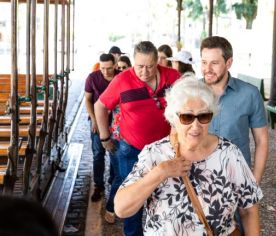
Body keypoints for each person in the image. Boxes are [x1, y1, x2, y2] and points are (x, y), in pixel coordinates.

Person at [114, 76, 263, 235]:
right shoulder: (155, 154)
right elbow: (122, 209)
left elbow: (248, 210)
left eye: (204, 116)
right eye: (187, 117)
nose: (196, 126)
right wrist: (160, 172)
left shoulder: (229, 153)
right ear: (173, 117)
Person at [94, 41, 180, 235]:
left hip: (166, 149)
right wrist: (104, 136)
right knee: (134, 199)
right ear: (134, 61)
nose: (145, 71)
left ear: (157, 61)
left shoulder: (173, 77)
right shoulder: (123, 80)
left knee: (165, 196)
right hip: (132, 150)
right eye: (140, 66)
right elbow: (100, 106)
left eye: (150, 66)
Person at [200, 36, 268, 184]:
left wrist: (254, 183)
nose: (207, 69)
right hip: (198, 177)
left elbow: (262, 140)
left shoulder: (250, 94)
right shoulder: (189, 92)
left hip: (237, 178)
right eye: (204, 62)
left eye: (214, 63)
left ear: (229, 63)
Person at [84, 53, 120, 206]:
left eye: (109, 68)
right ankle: (98, 185)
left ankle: (114, 182)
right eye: (102, 68)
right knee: (98, 154)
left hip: (117, 123)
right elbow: (87, 99)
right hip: (97, 121)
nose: (105, 72)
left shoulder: (121, 77)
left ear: (115, 65)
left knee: (115, 154)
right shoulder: (92, 77)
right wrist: (94, 120)